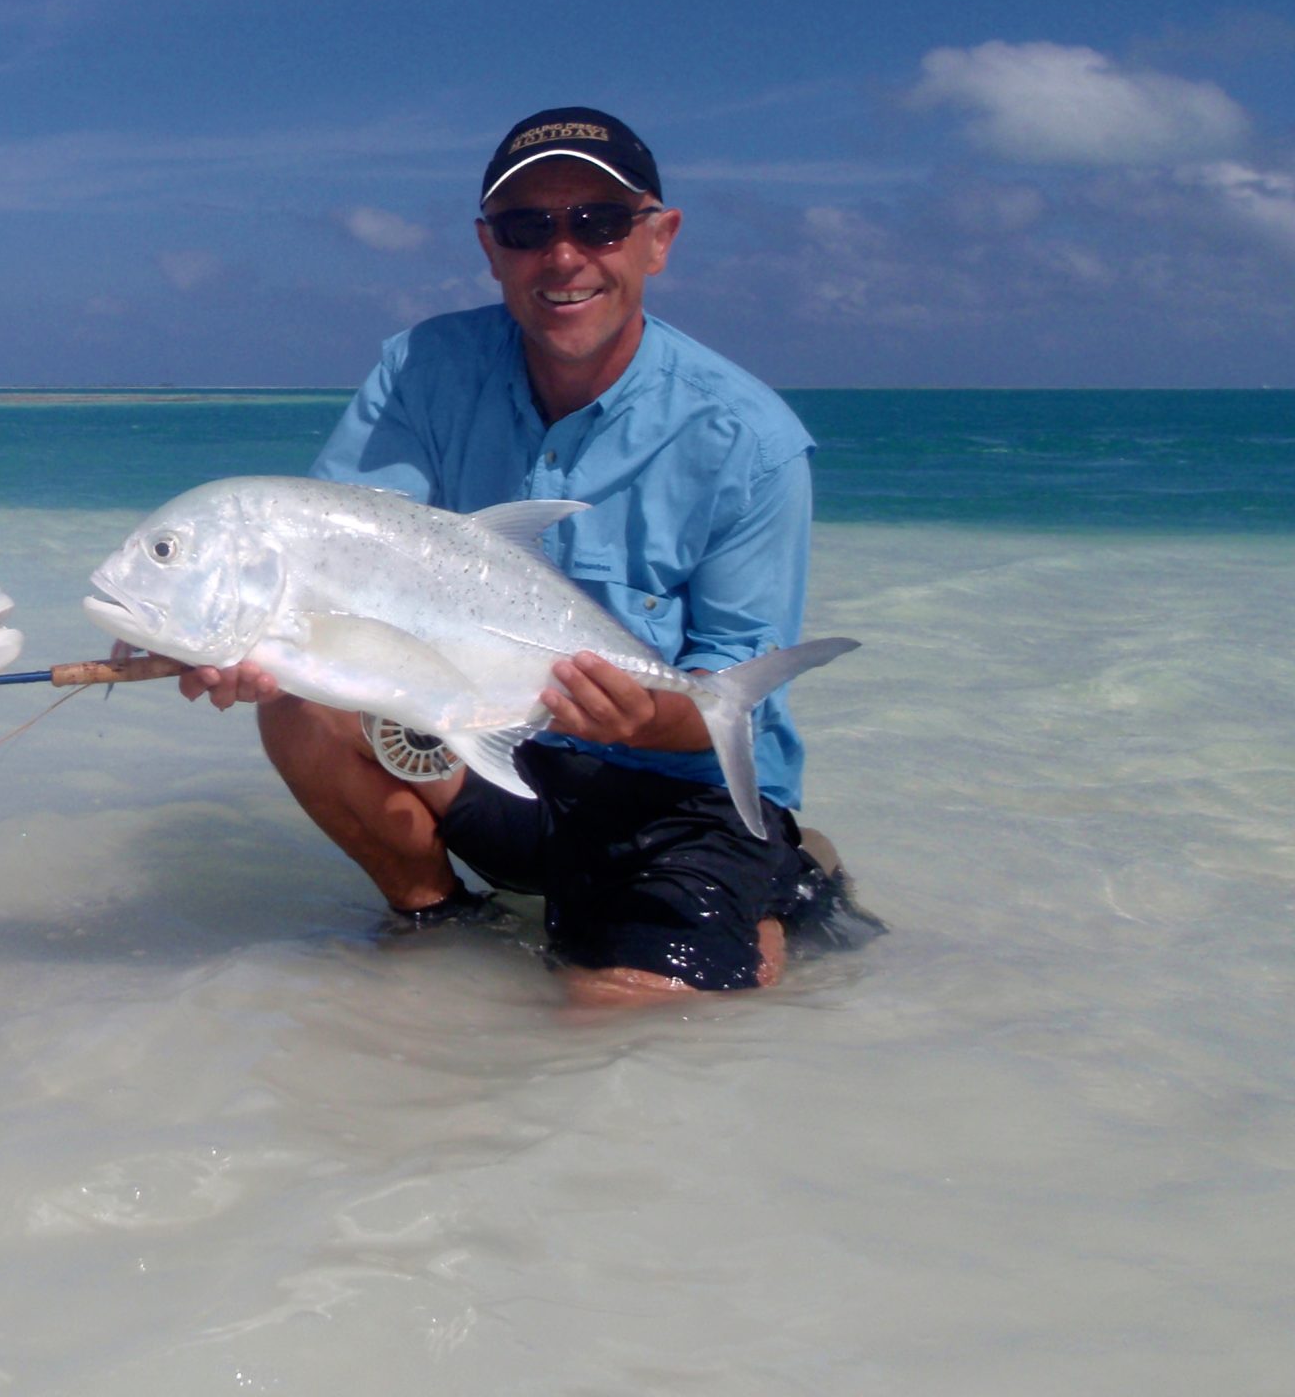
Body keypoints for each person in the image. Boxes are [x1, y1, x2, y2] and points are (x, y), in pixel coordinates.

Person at [177, 107, 875, 1006]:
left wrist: (644, 715)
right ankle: (437, 929)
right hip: (505, 746)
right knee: (305, 709)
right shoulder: (422, 368)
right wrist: (224, 636)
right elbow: (326, 566)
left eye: (599, 223)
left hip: (678, 789)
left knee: (617, 1022)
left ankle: (770, 880)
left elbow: (730, 680)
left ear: (657, 241)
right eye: (527, 227)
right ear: (490, 248)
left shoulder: (748, 442)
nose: (563, 255)